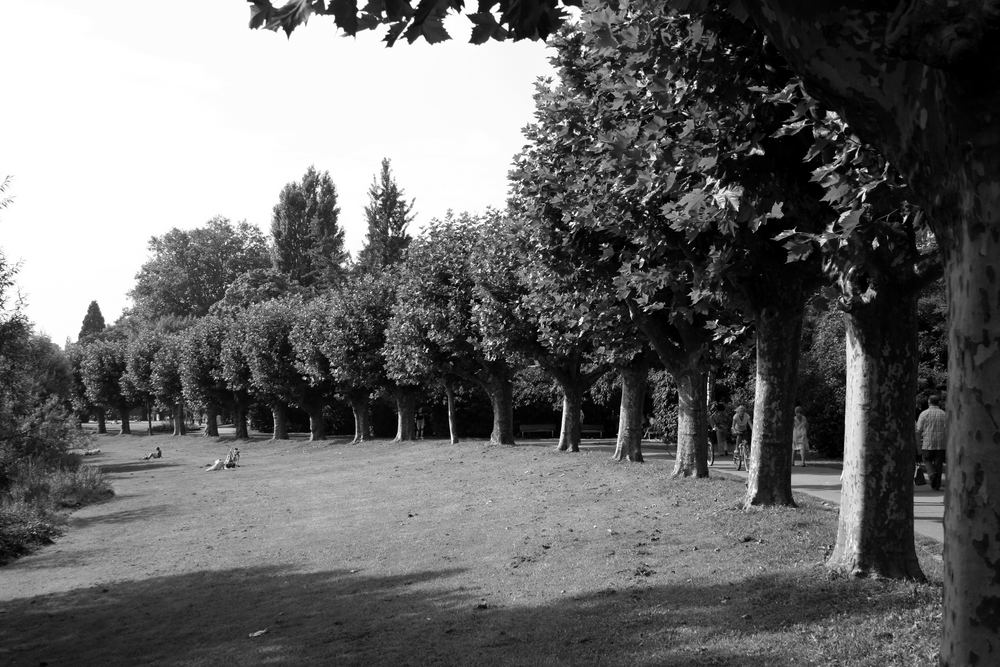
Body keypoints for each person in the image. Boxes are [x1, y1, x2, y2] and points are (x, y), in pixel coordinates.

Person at [916, 394, 947, 490]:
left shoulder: (924, 414)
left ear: (929, 402)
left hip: (927, 443)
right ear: (939, 403)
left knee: (926, 459)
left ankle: (931, 473)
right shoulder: (944, 414)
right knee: (939, 464)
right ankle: (936, 485)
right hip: (941, 444)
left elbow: (918, 430)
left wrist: (918, 446)